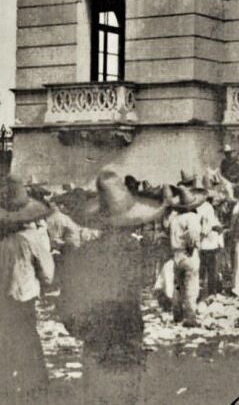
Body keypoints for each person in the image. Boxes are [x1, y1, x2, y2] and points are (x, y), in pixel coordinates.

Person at [58, 170, 167, 403]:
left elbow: (67, 310)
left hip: (97, 347)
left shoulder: (84, 254)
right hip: (127, 346)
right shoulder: (134, 252)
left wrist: (88, 332)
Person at [0, 175, 53, 401]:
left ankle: (10, 381)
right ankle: (35, 382)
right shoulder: (31, 239)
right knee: (29, 337)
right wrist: (43, 282)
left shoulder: (3, 243)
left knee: (7, 338)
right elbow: (48, 273)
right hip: (25, 296)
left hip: (4, 298)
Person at [166, 185, 207, 327]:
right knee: (191, 285)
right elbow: (194, 235)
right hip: (188, 253)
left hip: (176, 254)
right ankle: (190, 316)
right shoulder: (192, 217)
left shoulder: (174, 220)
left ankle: (177, 313)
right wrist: (191, 246)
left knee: (178, 285)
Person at [195, 194, 224, 297]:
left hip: (203, 242)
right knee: (211, 269)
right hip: (208, 242)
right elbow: (209, 225)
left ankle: (202, 292)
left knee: (202, 269)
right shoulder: (208, 207)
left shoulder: (199, 207)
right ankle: (211, 292)